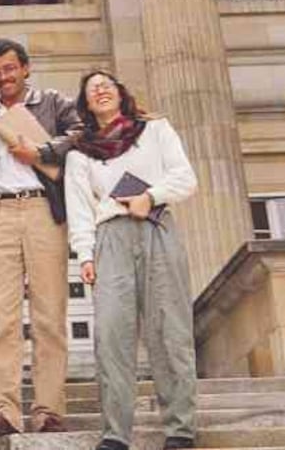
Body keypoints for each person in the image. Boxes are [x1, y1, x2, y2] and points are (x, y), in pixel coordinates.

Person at [0, 38, 82, 436]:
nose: (3, 77)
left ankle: (49, 409)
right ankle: (2, 409)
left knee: (48, 315)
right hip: (0, 213)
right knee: (1, 317)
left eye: (10, 69)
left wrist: (42, 152)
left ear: (25, 68)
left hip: (43, 209)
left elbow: (81, 134)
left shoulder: (54, 103)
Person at [65, 70, 198, 450]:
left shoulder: (155, 130)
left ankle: (180, 429)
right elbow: (80, 208)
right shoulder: (80, 153)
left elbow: (185, 178)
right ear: (86, 103)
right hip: (110, 237)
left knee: (170, 329)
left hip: (156, 226)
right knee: (111, 335)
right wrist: (85, 254)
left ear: (121, 93)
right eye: (92, 89)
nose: (100, 90)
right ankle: (115, 433)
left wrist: (150, 197)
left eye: (106, 84)